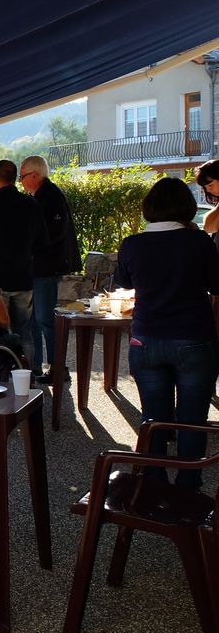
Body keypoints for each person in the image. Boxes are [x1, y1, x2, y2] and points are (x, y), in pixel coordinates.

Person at [115, 177, 219, 491]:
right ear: (186, 208)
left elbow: (123, 282)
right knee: (191, 421)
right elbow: (217, 285)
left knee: (153, 418)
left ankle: (153, 481)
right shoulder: (200, 242)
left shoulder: (133, 243)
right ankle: (188, 485)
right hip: (193, 339)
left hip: (145, 340)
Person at [0, 159, 47, 361]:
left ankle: (2, 379)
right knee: (24, 332)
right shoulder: (32, 205)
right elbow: (42, 242)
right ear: (14, 179)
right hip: (24, 278)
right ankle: (27, 378)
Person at [20, 155, 82, 381]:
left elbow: (53, 234)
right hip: (38, 268)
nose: (21, 182)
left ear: (34, 175)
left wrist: (27, 245)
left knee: (45, 319)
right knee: (34, 319)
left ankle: (58, 368)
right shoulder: (41, 196)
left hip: (46, 268)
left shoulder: (51, 196)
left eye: (22, 176)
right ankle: (35, 366)